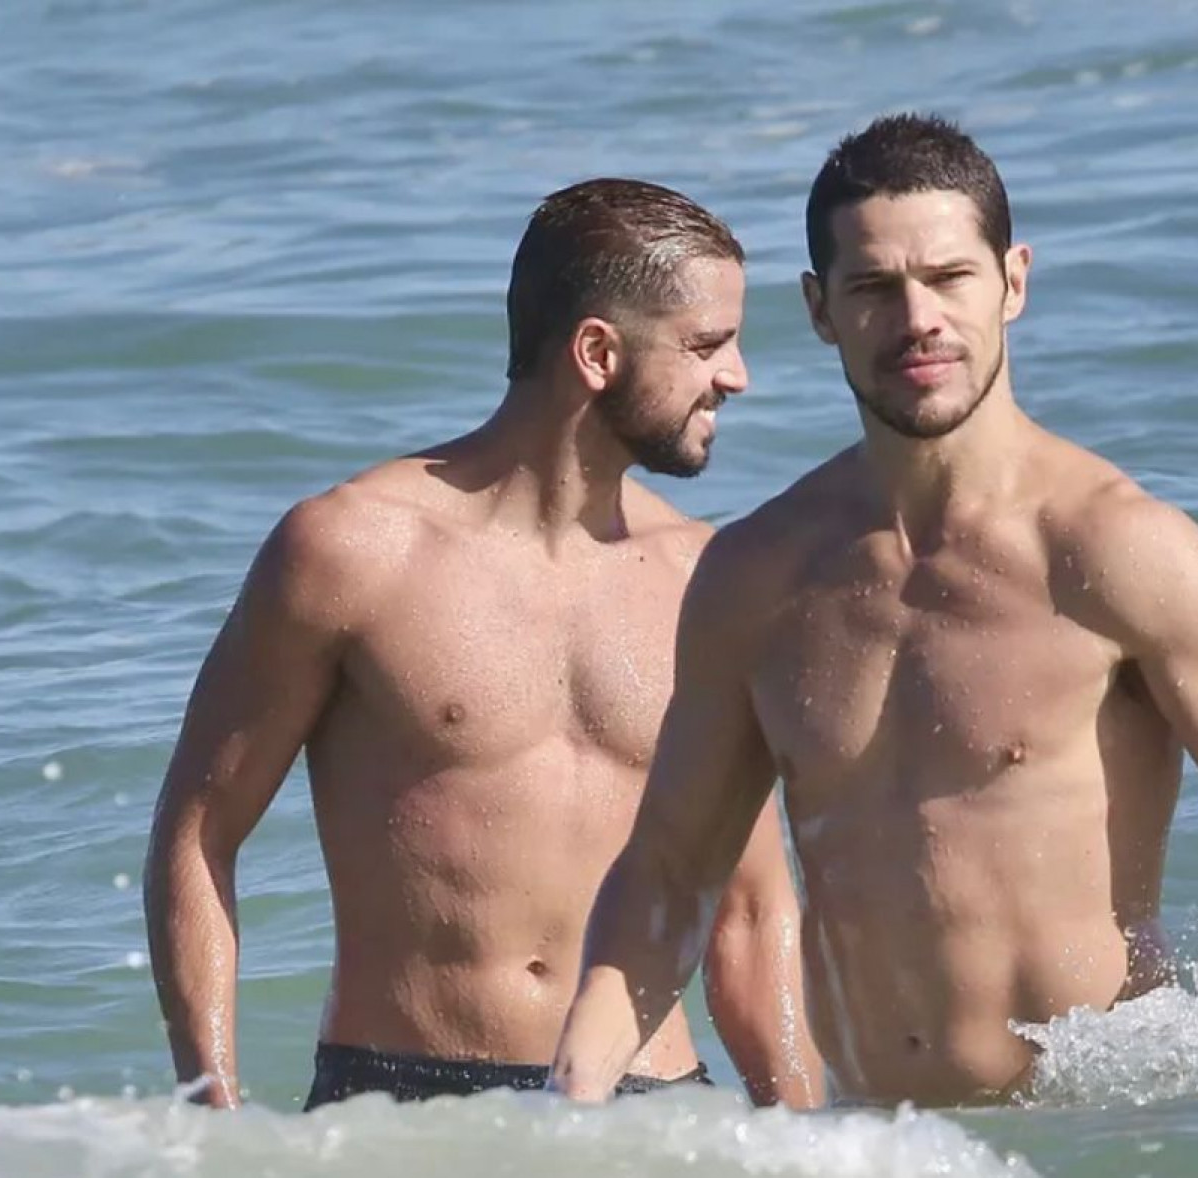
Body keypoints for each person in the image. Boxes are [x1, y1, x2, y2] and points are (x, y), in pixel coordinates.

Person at [550, 115, 1198, 1108]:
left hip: (1101, 1135)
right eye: (873, 287)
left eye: (950, 277)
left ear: (1014, 281)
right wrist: (573, 1099)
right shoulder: (758, 576)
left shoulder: (1112, 550)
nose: (917, 319)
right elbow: (668, 874)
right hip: (882, 1142)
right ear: (821, 310)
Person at [144, 178, 821, 1111]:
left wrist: (810, 1140)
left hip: (652, 1107)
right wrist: (210, 1113)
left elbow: (748, 911)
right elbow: (198, 833)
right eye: (707, 345)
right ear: (597, 352)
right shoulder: (353, 552)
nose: (737, 375)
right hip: (403, 1106)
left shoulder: (704, 580)